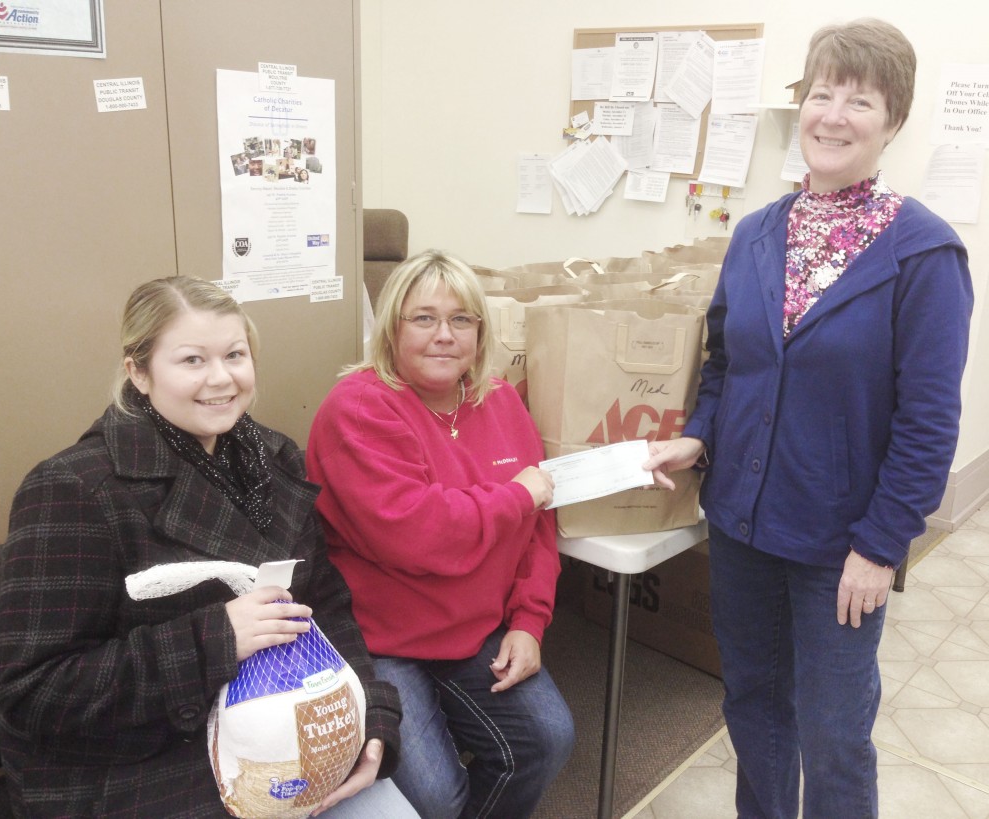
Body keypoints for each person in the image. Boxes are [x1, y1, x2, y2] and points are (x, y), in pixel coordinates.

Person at [643, 19, 973, 819]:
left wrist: (881, 543)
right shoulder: (757, 234)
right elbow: (726, 364)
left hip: (841, 547)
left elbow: (929, 421)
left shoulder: (924, 253)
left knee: (833, 733)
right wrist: (701, 433)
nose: (832, 114)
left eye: (859, 99)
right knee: (753, 704)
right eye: (821, 92)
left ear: (893, 121)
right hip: (743, 528)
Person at [0, 275, 419, 818]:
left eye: (235, 355)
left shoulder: (274, 457)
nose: (221, 379)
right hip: (140, 765)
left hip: (288, 720)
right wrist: (216, 637)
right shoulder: (75, 489)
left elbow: (327, 607)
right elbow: (36, 694)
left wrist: (370, 718)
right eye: (192, 360)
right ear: (139, 373)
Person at [306, 250, 575, 818]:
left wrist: (529, 621)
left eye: (461, 320)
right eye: (423, 318)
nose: (444, 335)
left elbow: (538, 529)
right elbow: (419, 533)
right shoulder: (357, 408)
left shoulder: (500, 400)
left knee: (547, 740)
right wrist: (517, 494)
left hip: (476, 627)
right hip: (382, 638)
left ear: (480, 332)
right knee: (438, 798)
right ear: (391, 329)